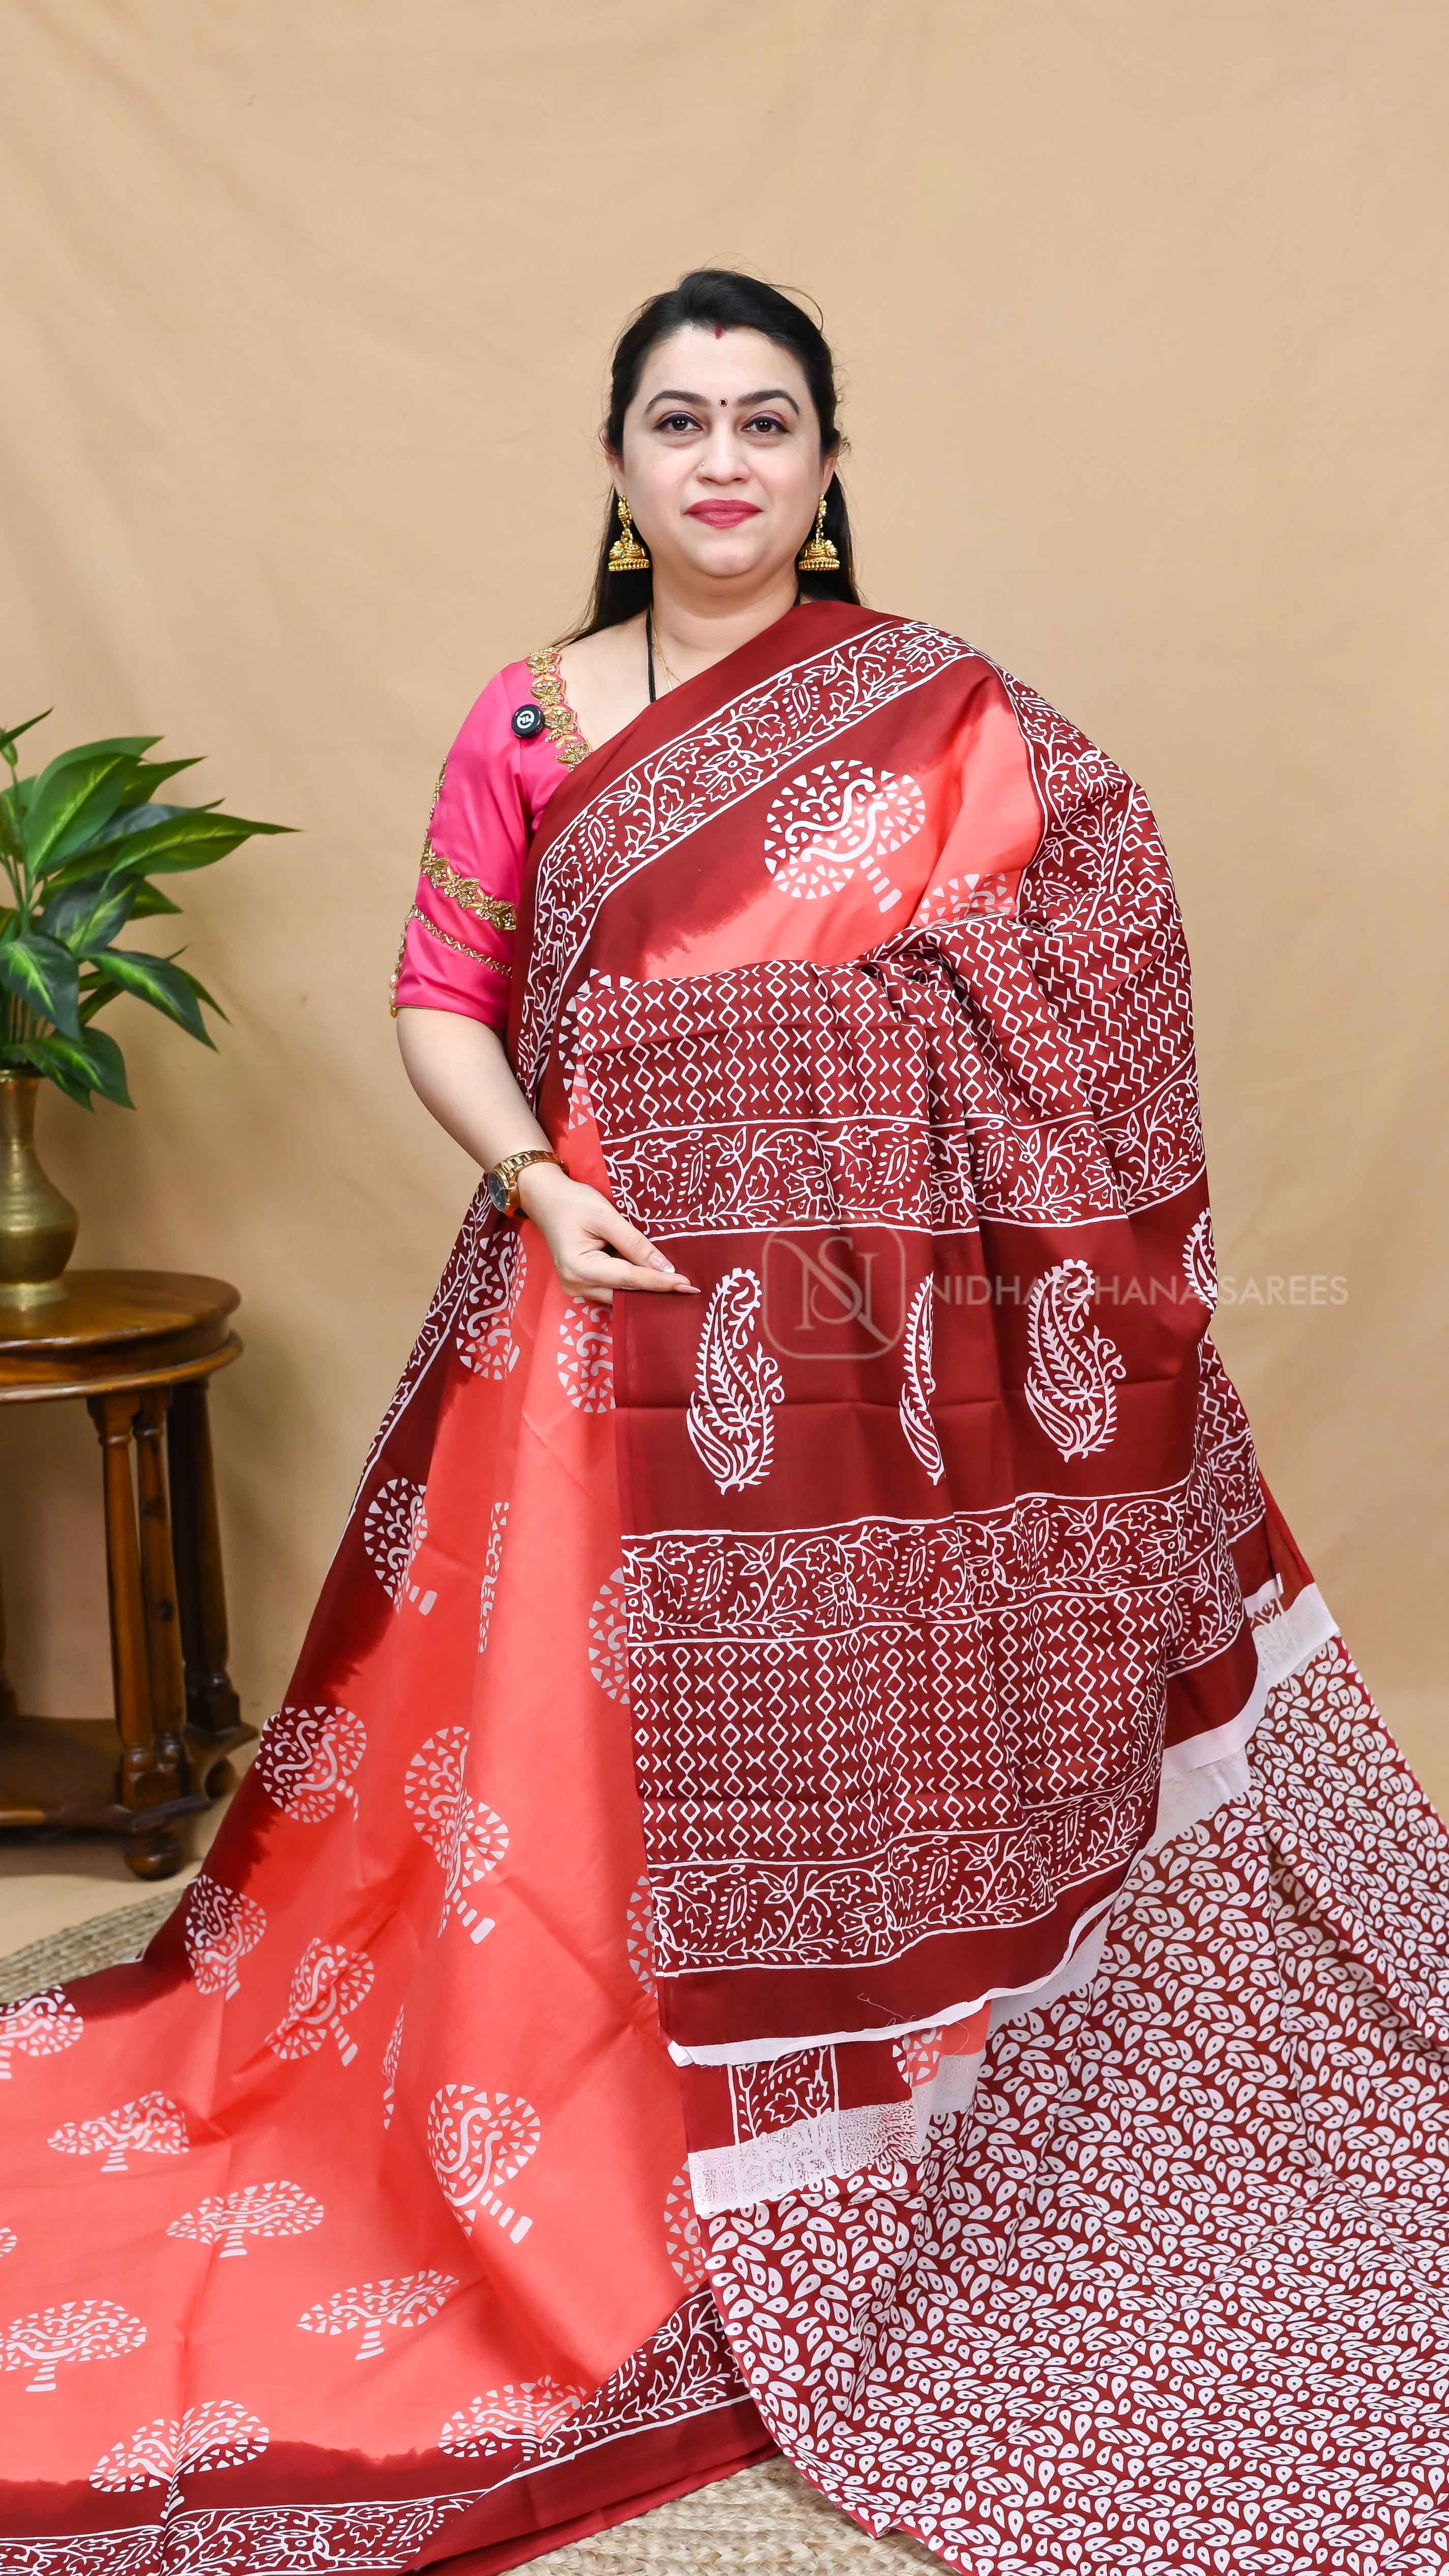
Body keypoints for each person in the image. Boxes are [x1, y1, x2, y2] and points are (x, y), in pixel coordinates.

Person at [2, 267, 1446, 2576]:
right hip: (591, 1321)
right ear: (614, 465)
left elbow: (1103, 934)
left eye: (767, 422)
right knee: (545, 1773)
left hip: (876, 1357)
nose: (722, 463)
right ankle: (567, 2151)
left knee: (847, 1740)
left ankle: (843, 2136)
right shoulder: (534, 716)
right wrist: (536, 1177)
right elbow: (441, 993)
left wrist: (869, 1070)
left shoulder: (940, 706)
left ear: (828, 462)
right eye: (677, 423)